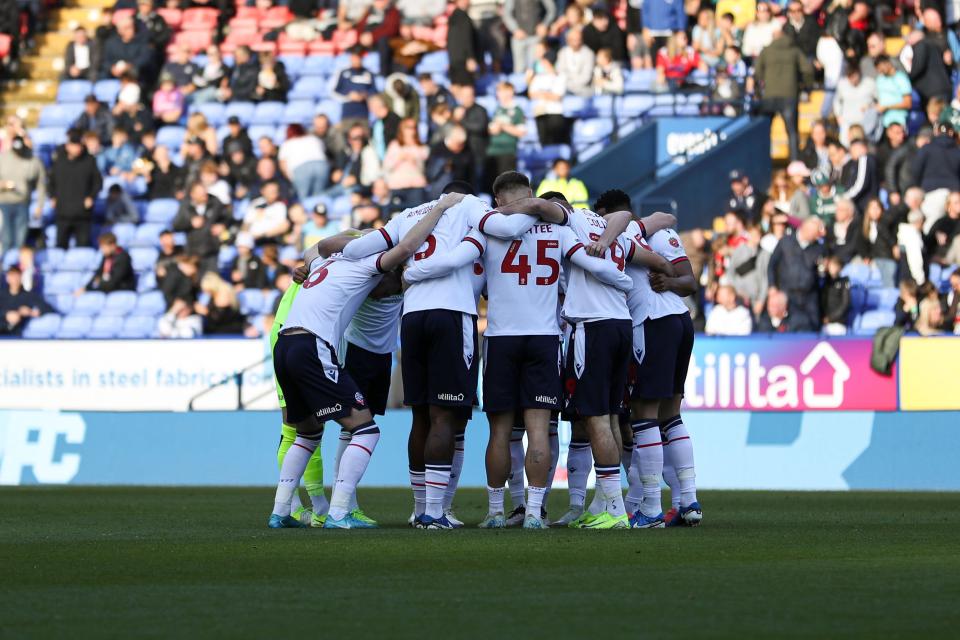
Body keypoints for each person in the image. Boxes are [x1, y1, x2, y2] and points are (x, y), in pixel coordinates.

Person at [405, 174, 642, 528]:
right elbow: (589, 262)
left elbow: (466, 271)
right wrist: (623, 281)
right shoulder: (560, 231)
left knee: (499, 431)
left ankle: (497, 512)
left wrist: (415, 273)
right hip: (544, 338)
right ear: (530, 195)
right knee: (538, 428)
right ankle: (533, 513)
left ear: (498, 200)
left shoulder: (487, 232)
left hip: (502, 338)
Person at [269, 189, 469, 529]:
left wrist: (344, 242)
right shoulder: (367, 266)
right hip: (314, 346)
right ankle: (339, 511)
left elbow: (314, 250)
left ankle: (281, 511)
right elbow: (405, 248)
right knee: (366, 430)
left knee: (306, 433)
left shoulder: (325, 262)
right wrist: (440, 208)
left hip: (285, 344)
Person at [591, 188, 699, 528]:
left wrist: (666, 279)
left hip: (651, 323)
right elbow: (690, 282)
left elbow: (683, 279)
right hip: (681, 321)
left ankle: (651, 507)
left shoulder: (616, 233)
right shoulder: (662, 233)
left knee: (644, 415)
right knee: (671, 416)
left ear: (607, 211)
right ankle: (687, 501)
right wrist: (671, 280)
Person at [751, 21, 814, 159]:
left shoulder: (767, 51)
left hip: (769, 96)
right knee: (791, 132)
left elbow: (757, 73)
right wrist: (804, 86)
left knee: (765, 131)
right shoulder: (794, 50)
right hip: (789, 95)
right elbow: (808, 69)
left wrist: (762, 87)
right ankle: (794, 163)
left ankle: (762, 160)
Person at [767, 216, 825, 330]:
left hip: (809, 297)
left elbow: (821, 273)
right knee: (789, 327)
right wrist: (772, 286)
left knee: (811, 328)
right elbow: (772, 265)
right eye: (815, 233)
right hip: (788, 295)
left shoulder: (818, 248)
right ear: (805, 229)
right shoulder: (786, 242)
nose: (817, 236)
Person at [49, 130, 102, 250]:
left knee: (83, 247)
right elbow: (51, 182)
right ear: (68, 146)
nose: (77, 149)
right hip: (63, 212)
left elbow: (98, 183)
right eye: (74, 145)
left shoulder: (89, 161)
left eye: (79, 146)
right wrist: (52, 196)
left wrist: (91, 197)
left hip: (82, 214)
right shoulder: (59, 161)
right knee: (60, 247)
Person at [0, 136, 45, 255]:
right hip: (4, 202)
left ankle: (16, 265)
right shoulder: (3, 158)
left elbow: (41, 184)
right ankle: (6, 267)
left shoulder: (32, 160)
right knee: (6, 238)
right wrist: (3, 185)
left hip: (23, 203)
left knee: (20, 239)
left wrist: (40, 205)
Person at [172, 181, 230, 273]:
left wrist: (222, 225)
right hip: (192, 252)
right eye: (201, 194)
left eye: (205, 193)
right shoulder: (185, 206)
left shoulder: (215, 202)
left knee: (211, 282)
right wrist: (190, 223)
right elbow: (176, 226)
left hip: (211, 251)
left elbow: (228, 217)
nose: (204, 196)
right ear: (192, 195)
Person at [485, 82, 525, 189]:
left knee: (506, 184)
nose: (501, 94)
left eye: (504, 91)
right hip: (492, 151)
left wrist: (503, 126)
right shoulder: (497, 109)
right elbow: (491, 130)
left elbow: (521, 132)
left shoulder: (517, 110)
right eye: (499, 91)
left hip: (508, 151)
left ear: (511, 92)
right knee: (492, 184)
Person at [382, 118, 429, 209]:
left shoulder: (422, 147)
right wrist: (399, 158)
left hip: (416, 187)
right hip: (397, 187)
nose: (411, 130)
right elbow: (386, 167)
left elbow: (424, 169)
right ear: (402, 129)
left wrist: (414, 161)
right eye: (408, 127)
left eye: (414, 127)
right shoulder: (394, 145)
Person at [529, 47, 568, 146]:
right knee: (543, 142)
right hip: (540, 112)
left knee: (555, 142)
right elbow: (532, 94)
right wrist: (547, 94)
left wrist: (542, 93)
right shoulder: (538, 77)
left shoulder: (560, 76)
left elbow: (557, 96)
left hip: (555, 112)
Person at [279, 124, 329, 201]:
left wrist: (291, 178)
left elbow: (283, 165)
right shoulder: (314, 139)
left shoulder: (286, 144)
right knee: (319, 196)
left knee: (303, 198)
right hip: (321, 165)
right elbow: (324, 152)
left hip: (300, 168)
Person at [504, 0, 555, 74]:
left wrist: (544, 24)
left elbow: (551, 10)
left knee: (534, 68)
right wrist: (515, 29)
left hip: (535, 37)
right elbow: (507, 14)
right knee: (519, 69)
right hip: (518, 38)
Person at [0, 266, 52, 336]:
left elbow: (47, 308)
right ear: (7, 278)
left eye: (17, 276)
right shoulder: (1, 294)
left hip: (17, 335)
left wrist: (31, 312)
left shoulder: (28, 296)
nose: (15, 279)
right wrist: (6, 314)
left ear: (21, 278)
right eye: (12, 276)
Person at [446, 0, 480, 86]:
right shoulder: (463, 17)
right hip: (463, 60)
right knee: (466, 88)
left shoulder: (453, 16)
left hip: (455, 59)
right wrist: (470, 57)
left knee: (457, 87)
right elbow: (466, 38)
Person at [556, 27, 596, 97]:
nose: (576, 43)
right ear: (568, 41)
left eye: (579, 40)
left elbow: (586, 77)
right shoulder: (563, 52)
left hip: (583, 89)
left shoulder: (589, 53)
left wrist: (572, 84)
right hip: (565, 87)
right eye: (573, 40)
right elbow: (560, 71)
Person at [820, 255, 851, 335]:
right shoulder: (824, 281)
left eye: (834, 266)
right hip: (823, 322)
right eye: (831, 266)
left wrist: (830, 318)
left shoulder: (844, 282)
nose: (832, 268)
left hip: (838, 323)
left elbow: (845, 304)